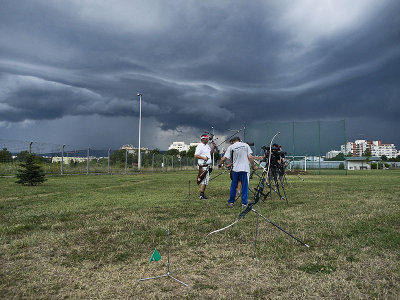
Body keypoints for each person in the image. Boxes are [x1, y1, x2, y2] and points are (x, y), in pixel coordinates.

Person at [219, 137, 257, 207]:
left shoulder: (231, 147)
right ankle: (244, 203)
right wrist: (253, 166)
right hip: (244, 169)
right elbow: (250, 157)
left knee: (233, 186)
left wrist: (220, 164)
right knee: (245, 186)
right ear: (239, 140)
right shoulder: (246, 145)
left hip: (235, 169)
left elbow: (224, 158)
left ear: (233, 141)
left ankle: (231, 202)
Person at [194, 134, 213, 200]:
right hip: (203, 166)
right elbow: (195, 155)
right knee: (203, 180)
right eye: (206, 139)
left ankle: (202, 194)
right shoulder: (200, 146)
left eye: (207, 139)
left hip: (207, 166)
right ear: (202, 139)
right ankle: (201, 195)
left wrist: (213, 147)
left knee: (206, 181)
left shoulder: (207, 146)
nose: (207, 140)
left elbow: (210, 153)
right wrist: (203, 157)